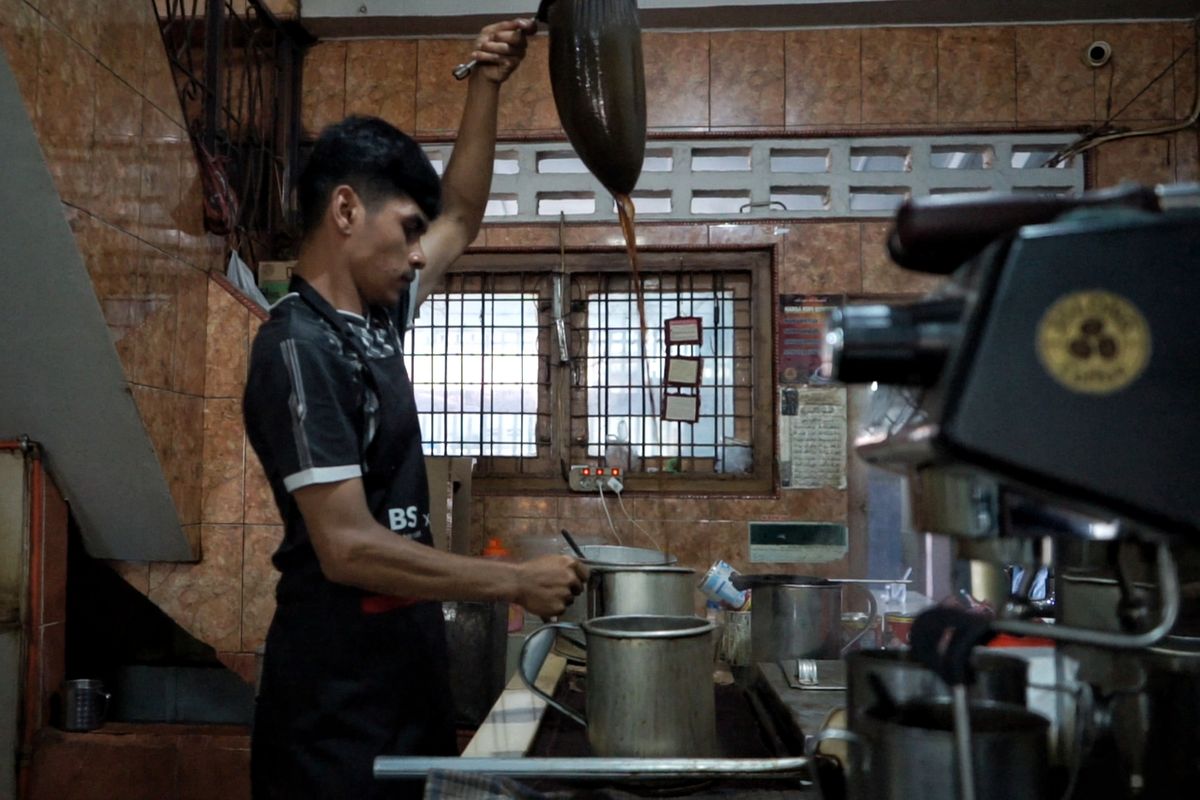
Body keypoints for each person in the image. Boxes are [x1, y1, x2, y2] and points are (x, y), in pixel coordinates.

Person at [242, 18, 587, 799]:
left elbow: (459, 215)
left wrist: (488, 88)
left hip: (405, 678)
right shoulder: (297, 348)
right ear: (343, 212)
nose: (418, 254)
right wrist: (512, 584)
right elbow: (347, 548)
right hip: (335, 712)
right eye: (405, 232)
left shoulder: (375, 320)